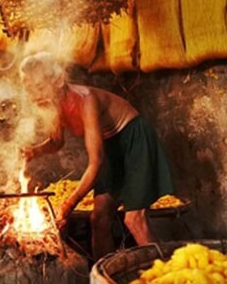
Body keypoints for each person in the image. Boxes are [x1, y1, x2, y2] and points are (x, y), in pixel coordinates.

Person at [19, 52, 174, 259]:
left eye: (39, 87)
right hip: (111, 146)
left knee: (134, 219)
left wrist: (68, 204)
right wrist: (34, 150)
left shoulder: (86, 100)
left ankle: (164, 278)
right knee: (99, 218)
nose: (35, 96)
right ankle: (104, 277)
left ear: (58, 80)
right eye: (29, 90)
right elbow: (57, 142)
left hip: (133, 139)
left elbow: (96, 162)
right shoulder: (53, 105)